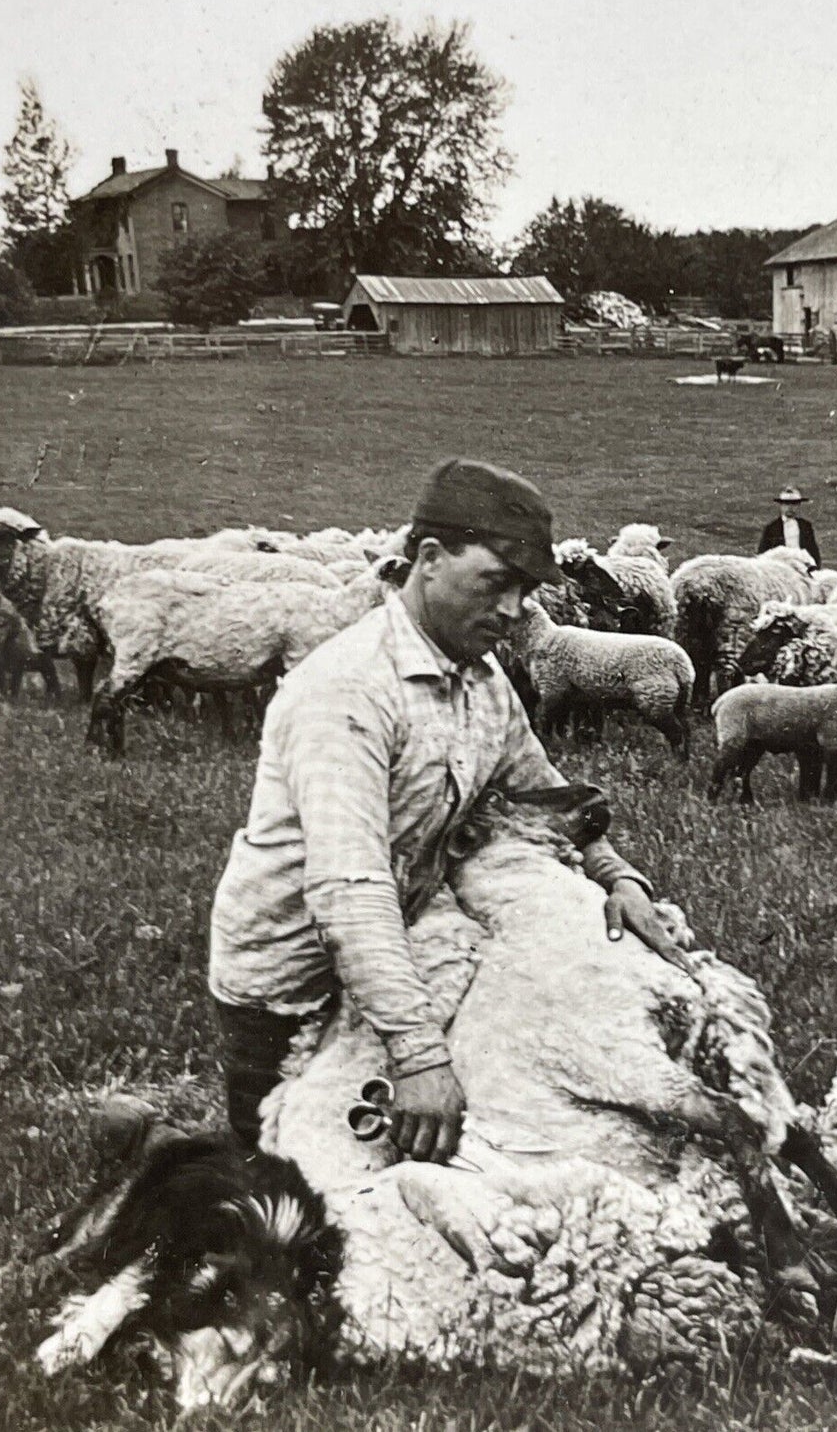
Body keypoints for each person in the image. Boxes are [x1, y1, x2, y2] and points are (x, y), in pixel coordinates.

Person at [209, 458, 681, 1165]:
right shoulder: (347, 690)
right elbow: (348, 884)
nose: (515, 610)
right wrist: (419, 1055)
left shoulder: (481, 679)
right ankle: (152, 1150)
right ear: (428, 560)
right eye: (496, 583)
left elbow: (542, 790)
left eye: (525, 590)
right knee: (287, 1180)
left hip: (405, 953)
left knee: (425, 1163)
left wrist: (618, 877)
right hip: (292, 981)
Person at [758, 486, 821, 567]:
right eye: (786, 504)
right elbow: (762, 555)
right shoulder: (771, 528)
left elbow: (814, 552)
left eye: (794, 504)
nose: (790, 507)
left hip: (803, 567)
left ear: (799, 505)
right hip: (781, 568)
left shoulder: (806, 526)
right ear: (781, 505)